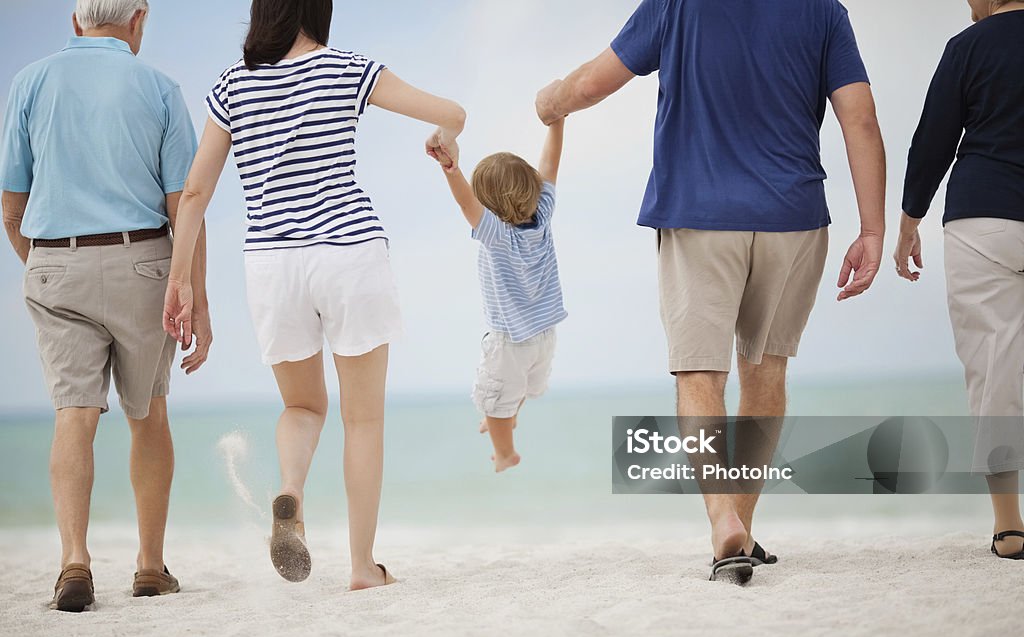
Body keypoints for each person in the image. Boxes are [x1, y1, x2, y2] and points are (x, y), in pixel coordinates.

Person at [535, 0, 887, 582]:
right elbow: (861, 118)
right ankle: (740, 525)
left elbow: (591, 84)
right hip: (794, 215)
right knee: (766, 372)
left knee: (701, 375)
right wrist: (871, 228)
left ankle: (724, 520)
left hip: (701, 215)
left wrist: (548, 103)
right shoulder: (824, 10)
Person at [162, 0, 466, 590]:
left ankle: (290, 491)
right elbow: (453, 110)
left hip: (272, 265)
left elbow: (195, 192)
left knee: (302, 408)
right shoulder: (348, 68)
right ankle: (360, 567)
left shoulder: (231, 85)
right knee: (364, 418)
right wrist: (444, 138)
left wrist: (181, 282)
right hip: (350, 251)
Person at [0, 0, 210, 611]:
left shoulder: (29, 82)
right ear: (138, 19)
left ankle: (74, 561)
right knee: (149, 414)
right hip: (146, 265)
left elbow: (11, 205)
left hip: (55, 262)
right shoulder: (161, 87)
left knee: (74, 414)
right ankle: (148, 566)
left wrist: (44, 268)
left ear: (75, 21)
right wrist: (196, 296)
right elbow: (187, 204)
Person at [895, 0, 1024, 560]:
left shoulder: (968, 47)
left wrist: (908, 222)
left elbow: (934, 140)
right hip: (987, 214)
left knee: (993, 365)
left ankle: (1009, 525)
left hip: (983, 218)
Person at [427, 119, 567, 473]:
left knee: (492, 399)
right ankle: (506, 417)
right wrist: (557, 124)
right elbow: (550, 165)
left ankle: (505, 452)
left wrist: (451, 169)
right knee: (515, 389)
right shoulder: (543, 216)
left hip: (510, 339)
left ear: (488, 204)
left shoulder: (496, 233)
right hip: (545, 334)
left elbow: (464, 204)